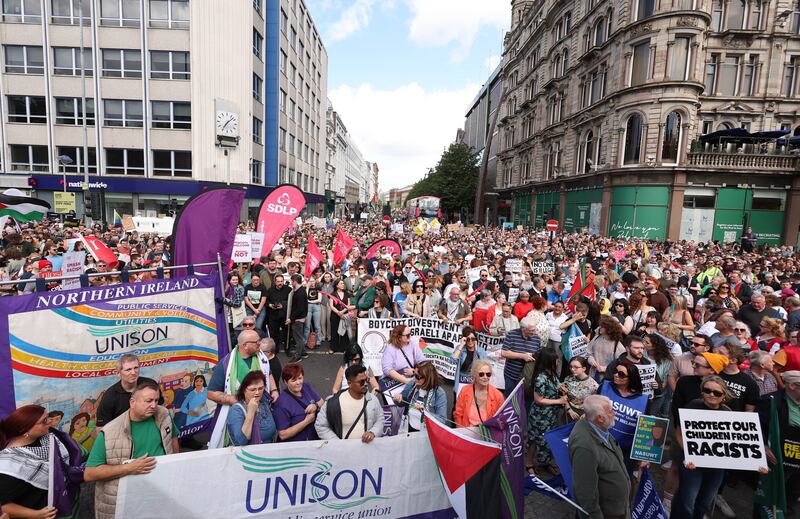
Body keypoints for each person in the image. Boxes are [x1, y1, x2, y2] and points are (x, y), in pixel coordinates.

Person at [84, 381, 179, 519]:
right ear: (132, 402)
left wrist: (176, 465)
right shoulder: (109, 433)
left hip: (162, 492)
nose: (154, 405)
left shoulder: (163, 414)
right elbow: (89, 474)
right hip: (129, 499)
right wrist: (129, 468)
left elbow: (173, 438)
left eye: (156, 400)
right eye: (148, 401)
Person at [671, 376, 740, 519]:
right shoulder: (692, 406)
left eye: (717, 393)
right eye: (707, 390)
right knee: (686, 502)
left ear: (724, 396)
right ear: (702, 391)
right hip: (692, 463)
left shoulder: (728, 413)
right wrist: (688, 453)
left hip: (716, 466)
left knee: (704, 503)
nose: (711, 395)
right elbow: (679, 433)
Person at [0, 405, 83, 519]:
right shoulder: (8, 465)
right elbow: (4, 506)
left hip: (66, 503)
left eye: (48, 417)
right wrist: (36, 514)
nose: (50, 421)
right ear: (24, 430)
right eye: (44, 421)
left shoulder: (49, 437)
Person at [207, 329, 277, 448]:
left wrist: (274, 390)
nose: (259, 344)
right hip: (239, 413)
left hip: (262, 408)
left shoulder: (262, 358)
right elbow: (211, 393)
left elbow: (268, 373)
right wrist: (233, 400)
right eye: (256, 342)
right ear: (245, 345)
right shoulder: (225, 364)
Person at [569, 394, 631, 519]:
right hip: (608, 513)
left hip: (618, 508)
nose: (615, 414)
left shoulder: (597, 427)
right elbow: (585, 493)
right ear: (600, 418)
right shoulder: (585, 446)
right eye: (610, 411)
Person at [316, 365, 383, 443]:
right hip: (343, 452)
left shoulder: (373, 400)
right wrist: (337, 443)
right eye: (361, 382)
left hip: (367, 451)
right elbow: (321, 426)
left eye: (366, 380)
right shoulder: (333, 402)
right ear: (349, 383)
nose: (365, 384)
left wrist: (373, 432)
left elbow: (380, 419)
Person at [526, 347, 567, 475]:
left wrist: (561, 388)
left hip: (550, 415)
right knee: (534, 439)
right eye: (555, 360)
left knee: (547, 439)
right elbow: (539, 400)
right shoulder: (540, 378)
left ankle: (545, 462)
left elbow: (555, 385)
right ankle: (529, 464)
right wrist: (559, 401)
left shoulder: (551, 373)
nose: (558, 361)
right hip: (539, 416)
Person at [95, 353, 160, 428]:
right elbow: (101, 427)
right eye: (128, 369)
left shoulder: (151, 384)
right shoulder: (110, 396)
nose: (133, 372)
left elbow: (161, 408)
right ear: (118, 373)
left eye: (136, 368)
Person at [272, 363, 324, 442]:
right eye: (293, 380)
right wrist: (306, 422)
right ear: (285, 382)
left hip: (314, 439)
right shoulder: (281, 404)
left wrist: (315, 405)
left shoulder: (306, 386)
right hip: (296, 445)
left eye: (300, 378)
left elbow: (321, 402)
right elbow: (283, 435)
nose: (298, 382)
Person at [225, 370, 277, 445]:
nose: (257, 392)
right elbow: (241, 441)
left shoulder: (264, 402)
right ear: (244, 390)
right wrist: (251, 412)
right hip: (248, 455)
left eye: (260, 388)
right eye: (253, 389)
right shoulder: (236, 410)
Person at [393, 360, 447, 431]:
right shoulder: (412, 384)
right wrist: (397, 399)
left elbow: (442, 420)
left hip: (428, 432)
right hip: (409, 428)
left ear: (428, 378)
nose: (414, 378)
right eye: (414, 374)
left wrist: (425, 413)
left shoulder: (439, 393)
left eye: (418, 376)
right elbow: (402, 402)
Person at [453, 359, 504, 427]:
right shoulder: (465, 390)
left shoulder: (498, 396)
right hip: (466, 433)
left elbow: (500, 420)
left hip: (486, 435)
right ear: (474, 375)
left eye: (488, 374)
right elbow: (458, 415)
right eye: (481, 374)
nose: (485, 377)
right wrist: (461, 433)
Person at [500, 316, 542, 398]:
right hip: (511, 375)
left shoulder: (536, 338)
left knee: (524, 400)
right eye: (531, 331)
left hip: (527, 378)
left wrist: (534, 355)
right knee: (510, 398)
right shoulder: (511, 334)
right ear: (523, 329)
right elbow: (504, 353)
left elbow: (539, 355)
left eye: (534, 329)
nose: (534, 333)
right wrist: (522, 356)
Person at [587, 315, 625, 382]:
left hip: (607, 379)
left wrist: (604, 368)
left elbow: (620, 366)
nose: (600, 328)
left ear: (609, 329)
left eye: (602, 327)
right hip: (592, 375)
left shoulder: (618, 347)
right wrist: (591, 361)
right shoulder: (596, 338)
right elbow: (589, 353)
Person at [561, 356, 599, 421]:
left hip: (583, 416)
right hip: (568, 412)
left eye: (576, 367)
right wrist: (569, 410)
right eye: (571, 367)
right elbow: (564, 395)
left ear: (584, 369)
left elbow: (596, 405)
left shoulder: (593, 385)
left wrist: (586, 414)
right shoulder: (568, 379)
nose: (572, 369)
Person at [451, 326, 487, 394]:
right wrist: (461, 345)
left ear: (476, 339)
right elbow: (452, 360)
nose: (470, 341)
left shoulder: (481, 351)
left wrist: (477, 350)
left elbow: (484, 366)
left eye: (473, 339)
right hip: (461, 383)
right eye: (468, 339)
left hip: (475, 384)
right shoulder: (460, 349)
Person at [265, 273, 291, 352]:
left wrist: (283, 305)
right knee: (274, 333)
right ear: (275, 282)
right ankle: (275, 349)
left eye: (281, 281)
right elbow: (266, 301)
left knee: (287, 333)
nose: (280, 283)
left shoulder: (288, 289)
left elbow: (292, 301)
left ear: (283, 281)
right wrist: (270, 305)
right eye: (278, 281)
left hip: (284, 315)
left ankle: (287, 349)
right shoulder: (270, 290)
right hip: (273, 314)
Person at [286, 274, 308, 361]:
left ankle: (298, 356)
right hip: (300, 318)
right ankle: (303, 352)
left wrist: (291, 318)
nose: (291, 283)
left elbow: (299, 308)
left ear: (295, 281)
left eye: (292, 281)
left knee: (298, 338)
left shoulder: (300, 293)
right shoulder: (301, 290)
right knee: (300, 336)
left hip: (298, 319)